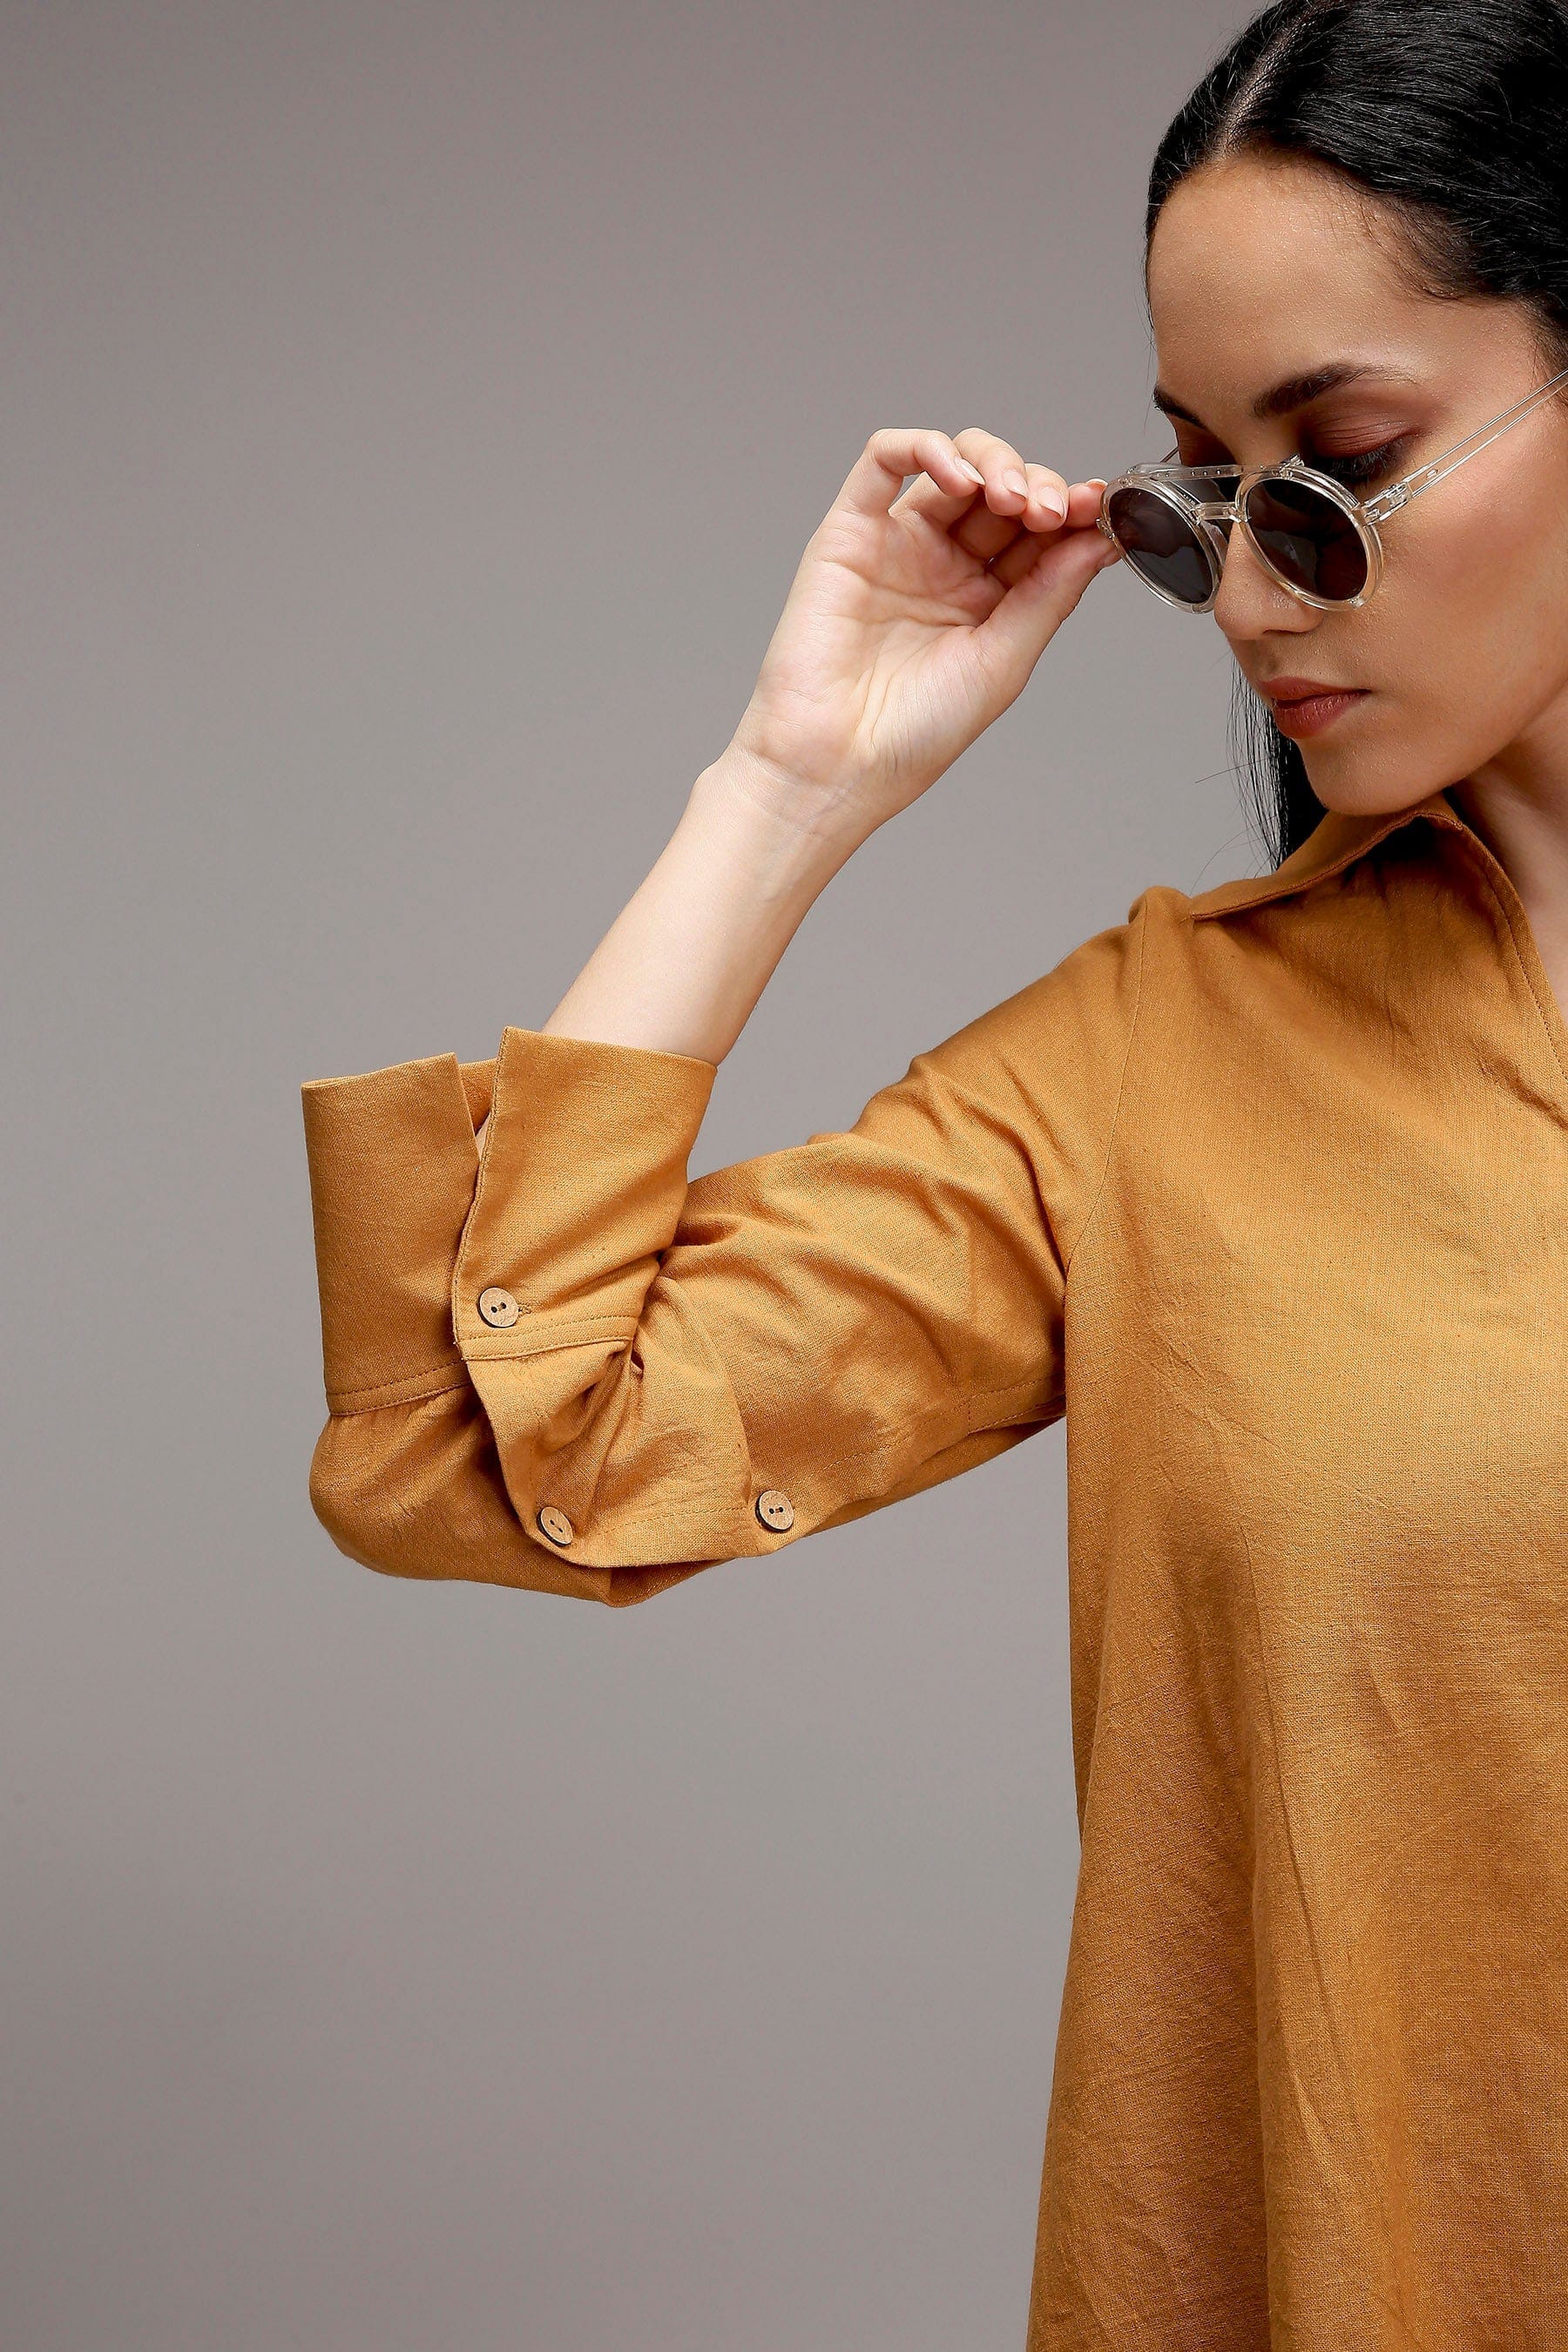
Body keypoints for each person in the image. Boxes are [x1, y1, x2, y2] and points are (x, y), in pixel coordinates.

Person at [301, 0, 1568, 2340]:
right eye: (1201, 505)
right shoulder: (1157, 1068)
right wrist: (789, 788)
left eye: (1338, 470)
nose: (1256, 597)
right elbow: (488, 1450)